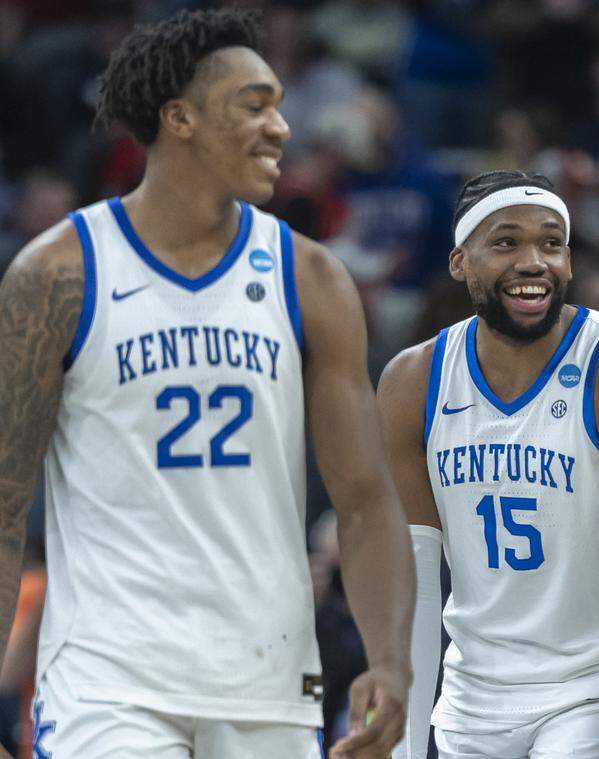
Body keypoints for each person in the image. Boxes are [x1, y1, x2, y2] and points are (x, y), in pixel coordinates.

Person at [0, 9, 415, 758]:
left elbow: (363, 497)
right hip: (108, 680)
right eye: (254, 105)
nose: (282, 127)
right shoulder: (57, 274)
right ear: (180, 117)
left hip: (269, 676)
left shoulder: (312, 277)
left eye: (279, 104)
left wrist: (389, 661)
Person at [379, 170, 599, 759]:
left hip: (593, 686)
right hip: (475, 690)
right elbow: (413, 583)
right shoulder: (413, 382)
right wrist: (406, 746)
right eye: (505, 243)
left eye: (552, 243)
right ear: (459, 262)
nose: (533, 262)